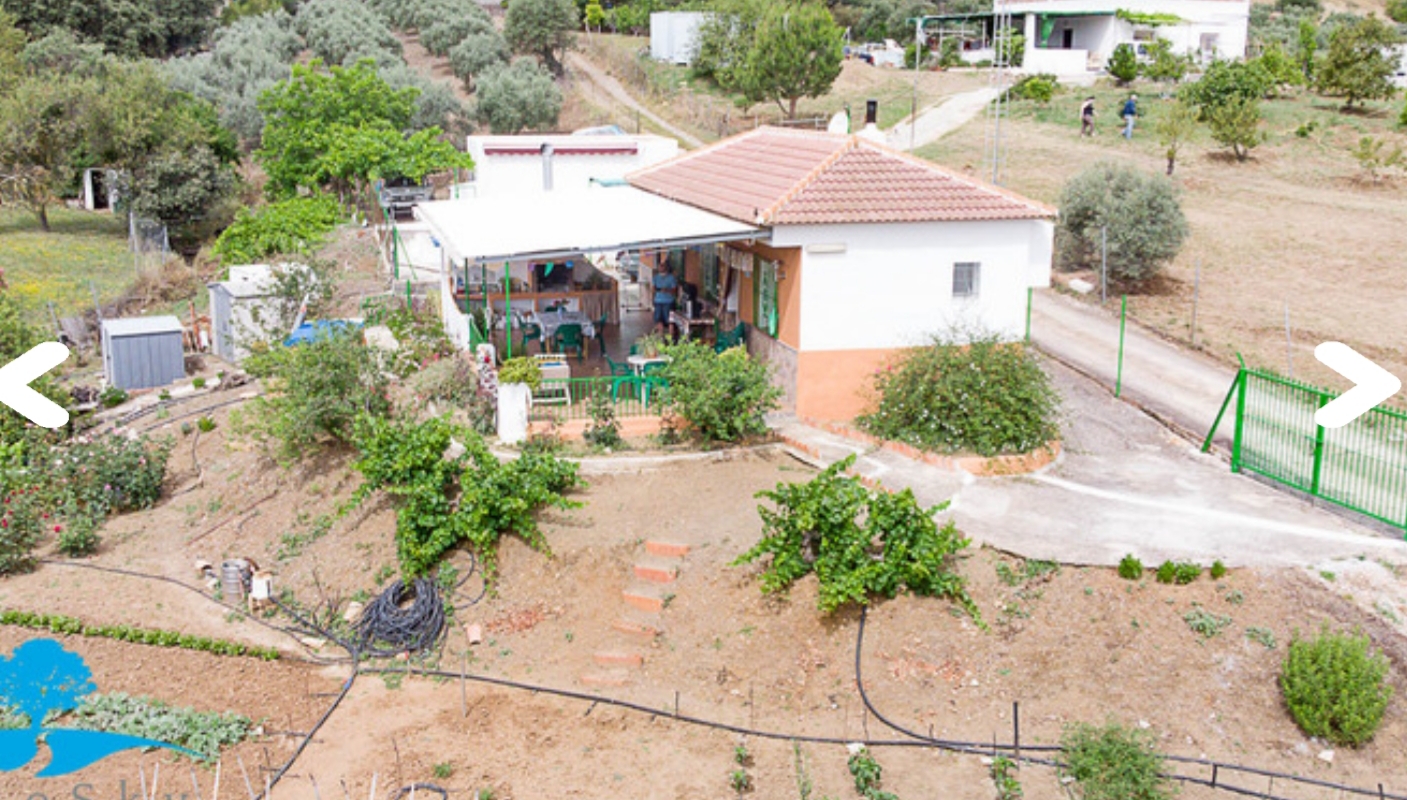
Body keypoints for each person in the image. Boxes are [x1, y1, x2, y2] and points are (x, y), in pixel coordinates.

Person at [651, 261, 679, 335]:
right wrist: (653, 299)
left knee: (670, 320)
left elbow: (674, 290)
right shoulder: (656, 278)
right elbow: (653, 289)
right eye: (659, 266)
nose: (661, 268)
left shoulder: (671, 277)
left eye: (662, 266)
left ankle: (670, 338)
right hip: (658, 301)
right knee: (658, 319)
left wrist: (667, 290)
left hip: (669, 302)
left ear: (666, 268)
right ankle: (661, 336)